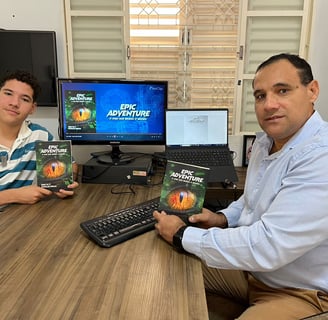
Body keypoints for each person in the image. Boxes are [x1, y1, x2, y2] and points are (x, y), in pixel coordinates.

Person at [153, 53, 328, 320]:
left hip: (299, 291)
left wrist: (181, 234)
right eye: (260, 96)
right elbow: (250, 201)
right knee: (168, 264)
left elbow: (268, 245)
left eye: (282, 90)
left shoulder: (320, 156)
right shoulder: (266, 142)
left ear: (312, 90)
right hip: (253, 273)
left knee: (179, 244)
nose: (269, 104)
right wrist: (221, 218)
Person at [0, 70, 79, 207]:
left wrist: (63, 183)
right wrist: (14, 195)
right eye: (8, 93)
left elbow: (72, 165)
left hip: (21, 219)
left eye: (24, 99)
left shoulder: (40, 135)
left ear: (32, 108)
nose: (14, 103)